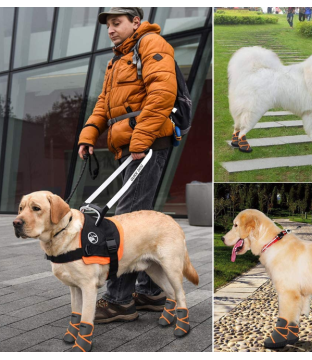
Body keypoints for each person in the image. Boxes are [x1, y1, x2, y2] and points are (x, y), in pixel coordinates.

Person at [78, 7, 177, 323]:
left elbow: (163, 92)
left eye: (116, 22)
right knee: (142, 220)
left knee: (127, 225)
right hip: (131, 146)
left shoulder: (151, 44)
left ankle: (119, 301)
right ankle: (149, 292)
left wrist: (142, 138)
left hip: (145, 146)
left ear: (136, 21)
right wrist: (89, 134)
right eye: (108, 24)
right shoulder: (117, 59)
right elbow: (104, 105)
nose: (110, 29)